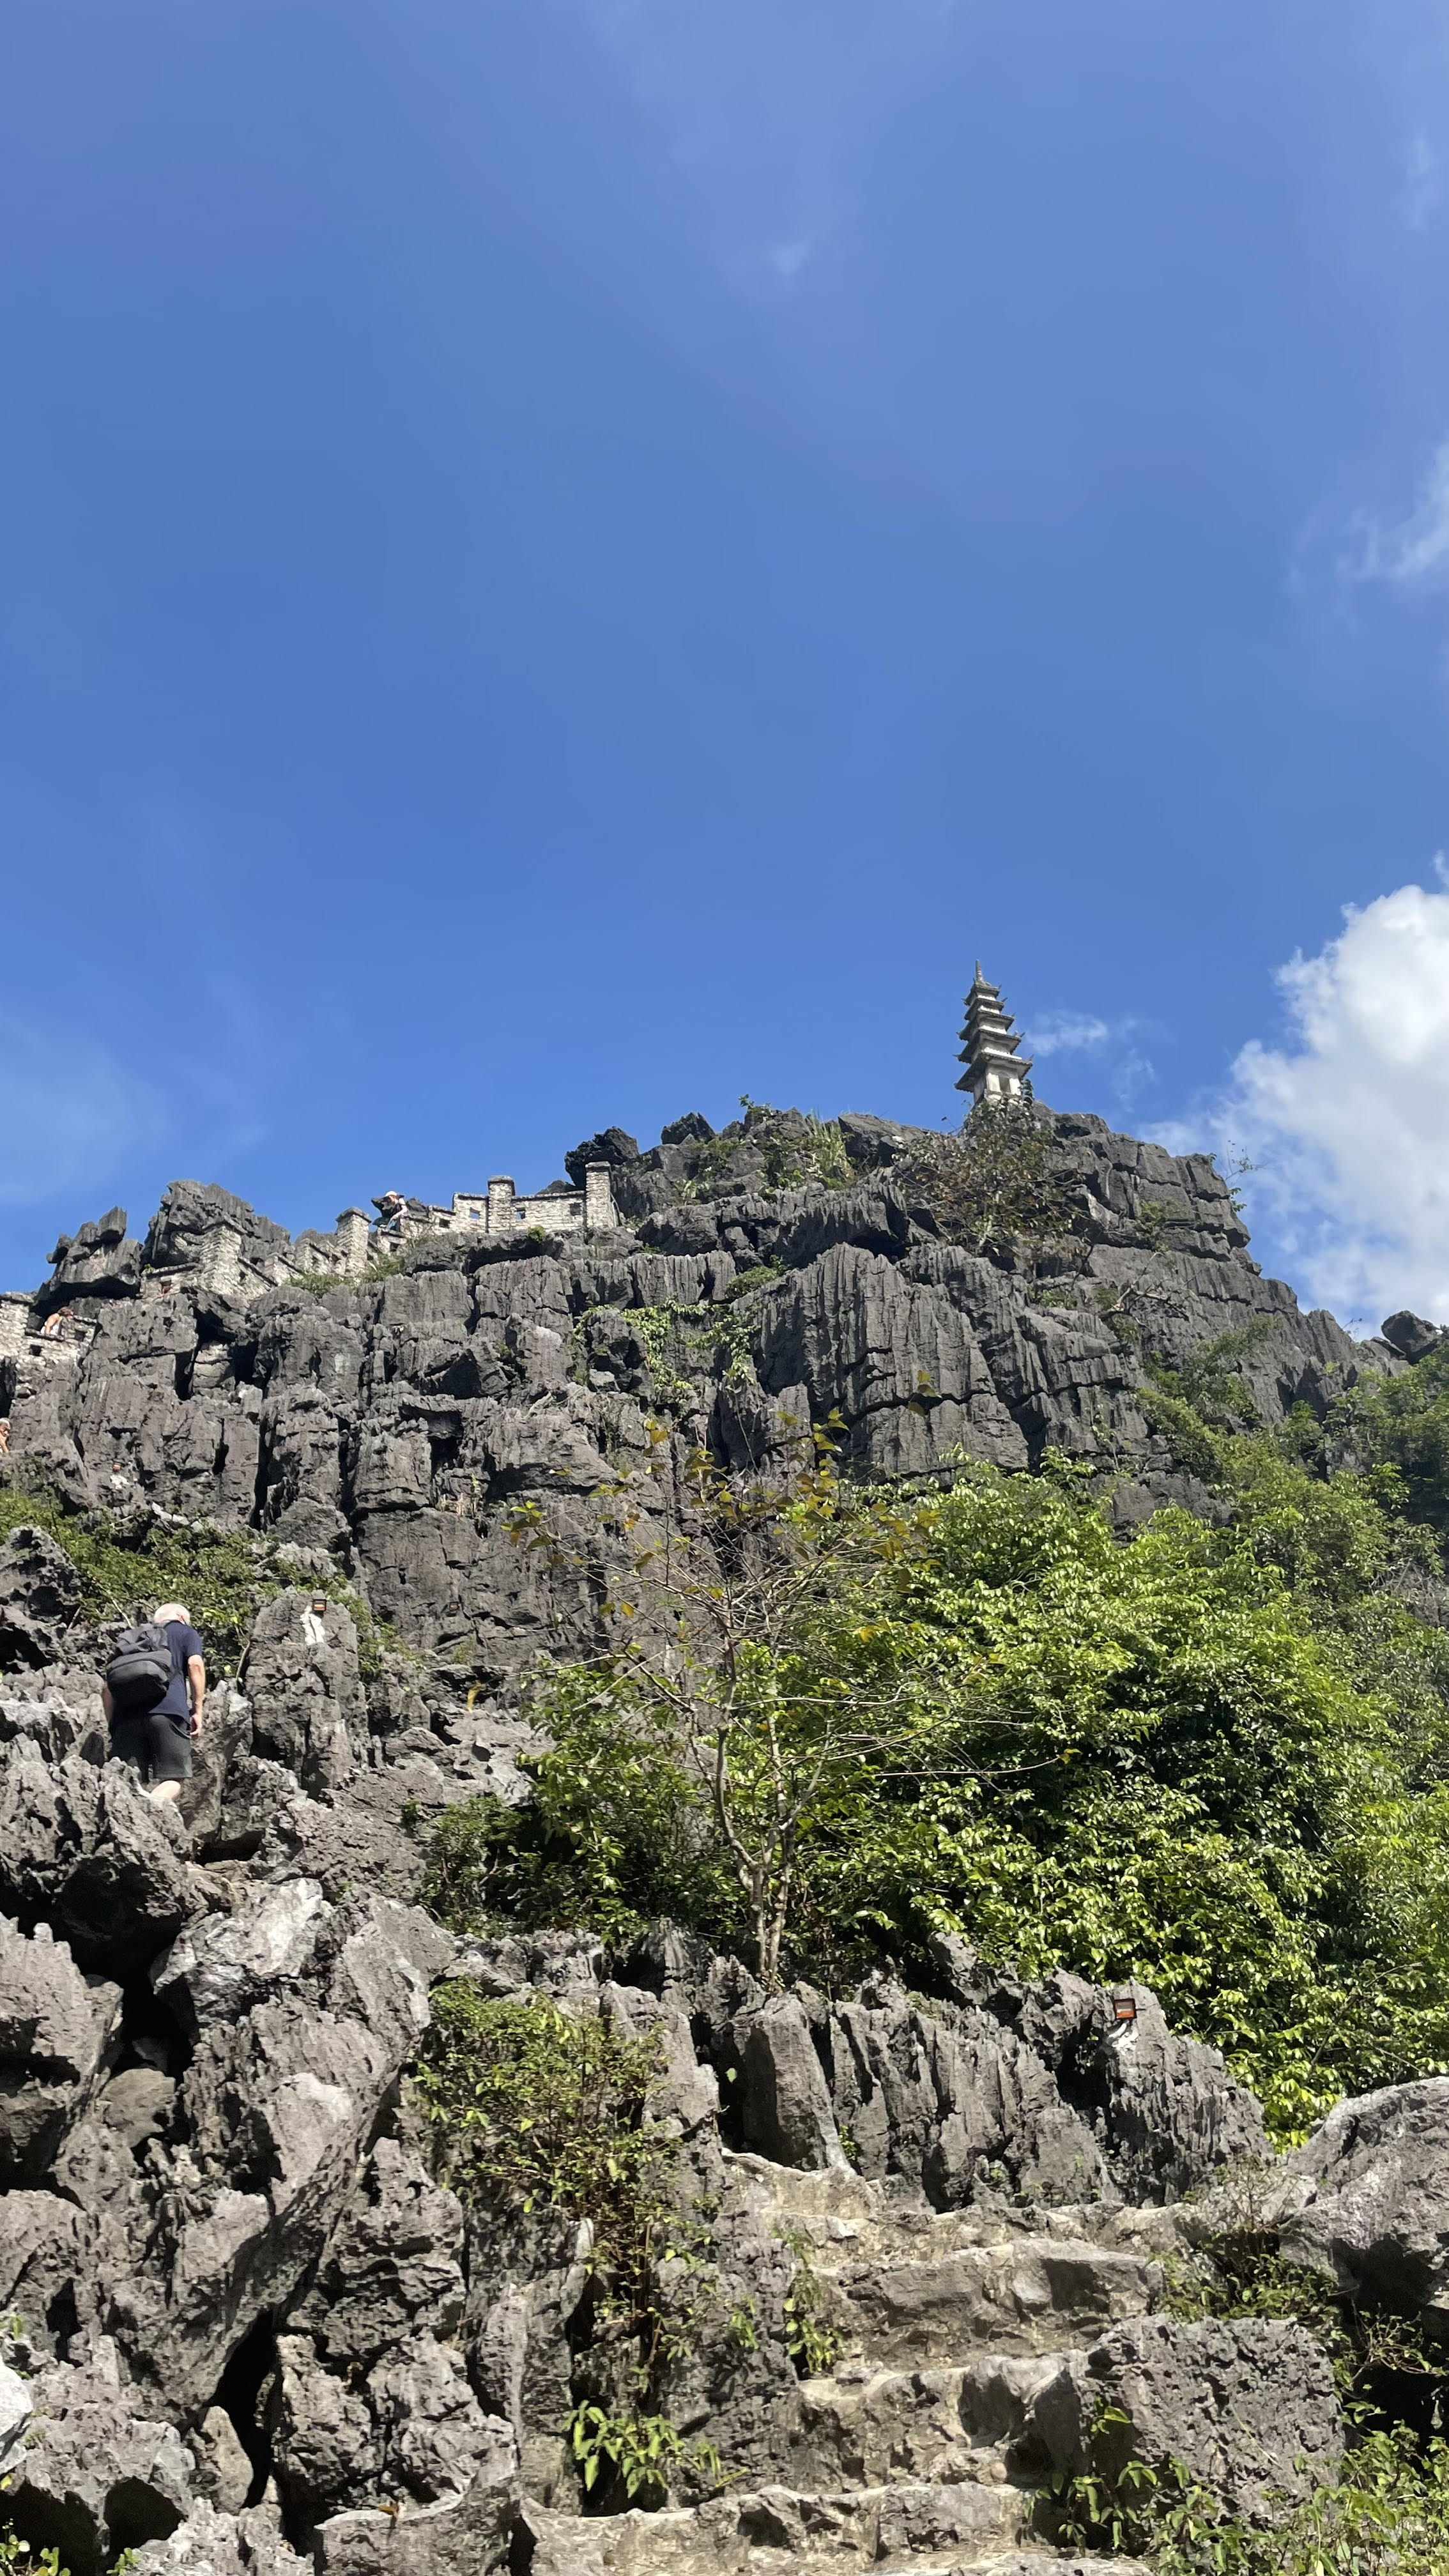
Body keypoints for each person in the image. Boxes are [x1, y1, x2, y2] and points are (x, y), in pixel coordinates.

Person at [103, 1600, 205, 1805]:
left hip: (126, 1717)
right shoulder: (185, 1632)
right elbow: (195, 1665)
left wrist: (112, 1724)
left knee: (126, 1781)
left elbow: (106, 1688)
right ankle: (146, 1809)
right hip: (168, 1714)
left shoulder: (133, 1639)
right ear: (182, 1618)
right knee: (174, 1780)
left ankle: (127, 1813)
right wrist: (198, 1710)